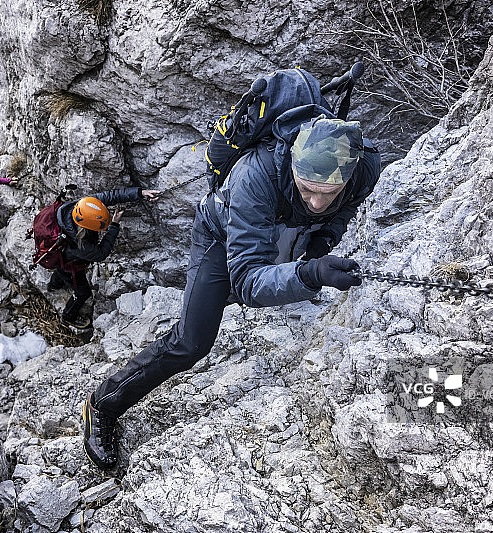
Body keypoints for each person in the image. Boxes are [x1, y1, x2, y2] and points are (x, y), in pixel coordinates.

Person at [81, 110, 381, 469]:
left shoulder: (362, 168)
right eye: (307, 190)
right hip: (219, 235)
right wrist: (311, 273)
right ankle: (102, 404)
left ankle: (217, 297)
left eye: (328, 192)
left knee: (243, 292)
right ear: (292, 166)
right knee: (192, 341)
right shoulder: (255, 176)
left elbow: (343, 210)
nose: (316, 203)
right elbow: (248, 280)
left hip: (274, 228)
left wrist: (323, 242)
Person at [49, 187, 161, 328]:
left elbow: (109, 195)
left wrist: (140, 192)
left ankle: (53, 285)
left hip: (60, 255)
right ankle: (68, 317)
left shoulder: (81, 206)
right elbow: (101, 253)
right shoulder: (81, 244)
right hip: (70, 263)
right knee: (83, 292)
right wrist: (114, 225)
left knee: (60, 270)